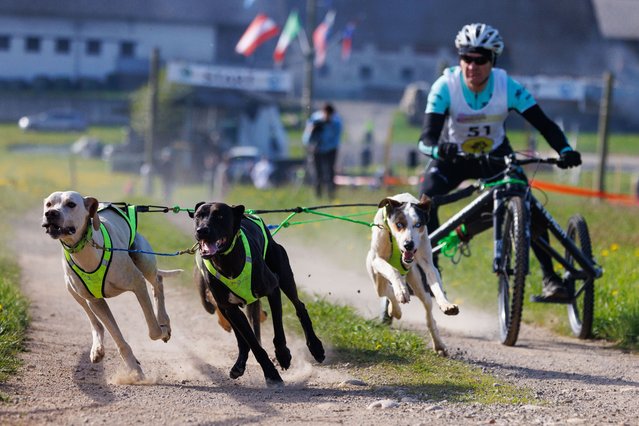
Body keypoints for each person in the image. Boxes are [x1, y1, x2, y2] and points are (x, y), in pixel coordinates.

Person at [417, 23, 582, 300]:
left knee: (527, 203)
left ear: (493, 60)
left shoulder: (508, 87)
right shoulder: (445, 85)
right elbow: (425, 139)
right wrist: (438, 150)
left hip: (495, 157)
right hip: (454, 157)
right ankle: (431, 268)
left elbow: (544, 124)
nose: (472, 66)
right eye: (466, 58)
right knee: (427, 196)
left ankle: (551, 279)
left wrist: (564, 149)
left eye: (480, 59)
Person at [302, 103, 342, 200]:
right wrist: (312, 131)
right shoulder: (315, 119)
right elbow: (306, 139)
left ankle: (331, 196)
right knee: (317, 173)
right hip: (316, 149)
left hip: (330, 150)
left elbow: (336, 140)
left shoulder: (336, 122)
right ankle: (318, 196)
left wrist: (325, 147)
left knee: (330, 172)